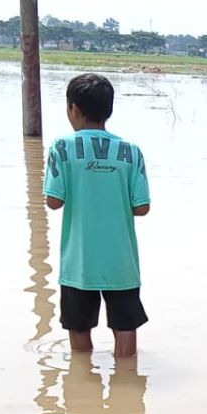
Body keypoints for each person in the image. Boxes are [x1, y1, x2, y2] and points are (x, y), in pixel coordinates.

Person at [44, 73, 151, 358]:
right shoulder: (131, 151)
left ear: (73, 109)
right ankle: (126, 381)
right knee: (126, 328)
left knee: (79, 330)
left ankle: (82, 387)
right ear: (109, 110)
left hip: (79, 264)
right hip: (121, 264)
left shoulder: (61, 148)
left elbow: (53, 201)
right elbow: (141, 207)